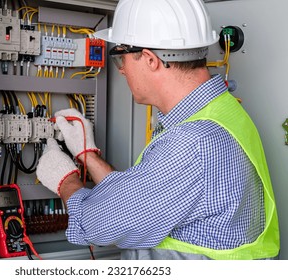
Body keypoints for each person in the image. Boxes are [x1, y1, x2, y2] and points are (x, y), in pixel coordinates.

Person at [36, 0, 280, 260]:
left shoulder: (190, 144)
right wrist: (88, 155)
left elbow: (93, 225)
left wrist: (65, 181)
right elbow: (145, 200)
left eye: (122, 58)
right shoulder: (223, 113)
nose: (121, 70)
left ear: (151, 60)